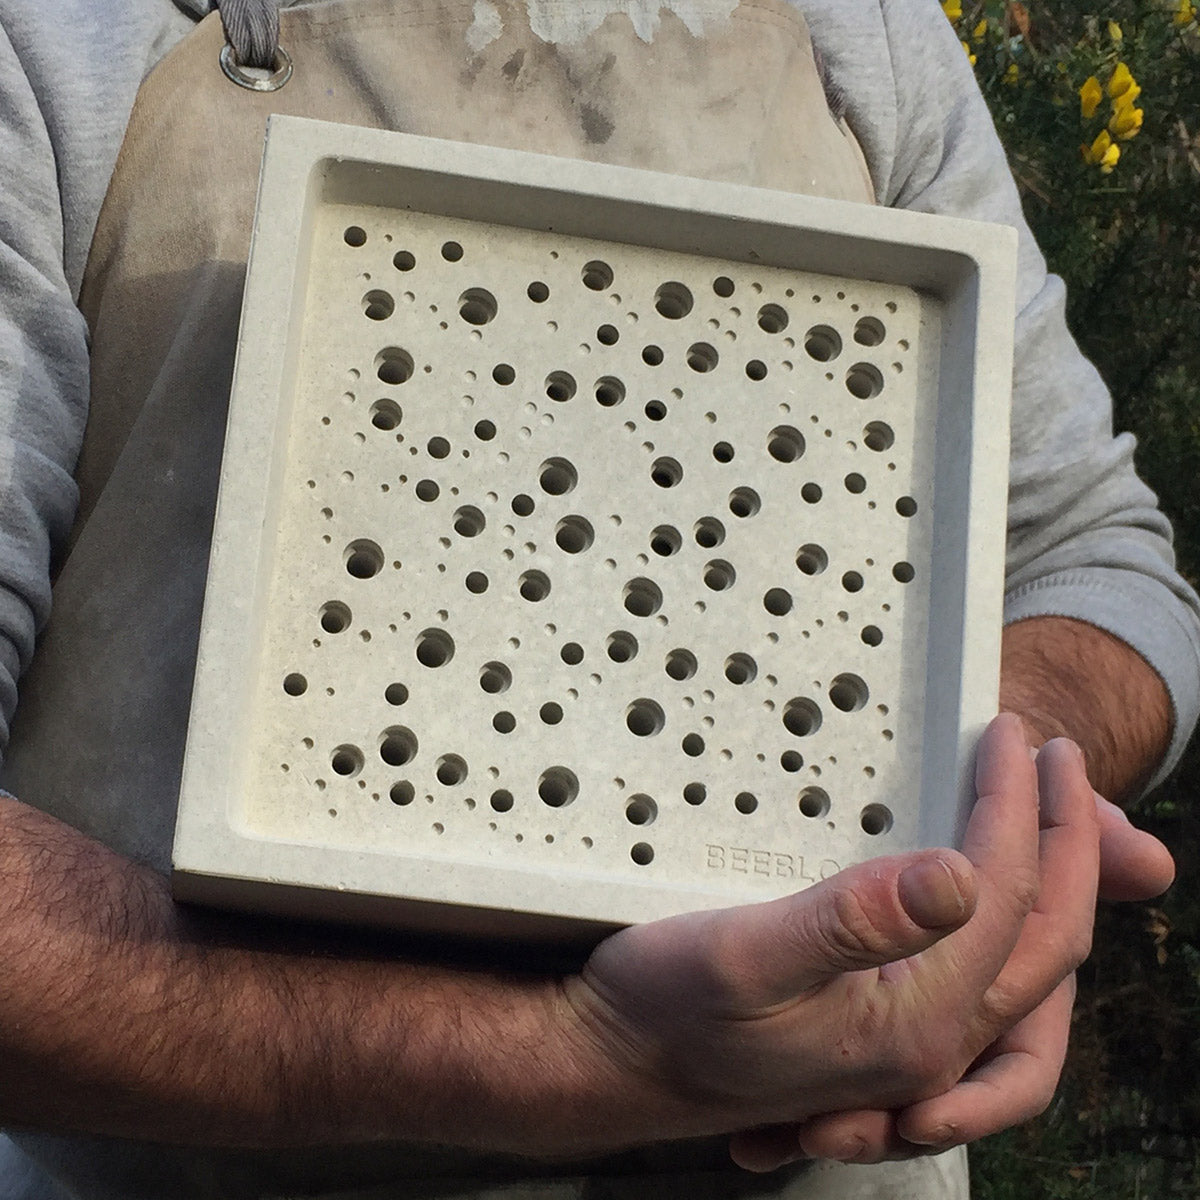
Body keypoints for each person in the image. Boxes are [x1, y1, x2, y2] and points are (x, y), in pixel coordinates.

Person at [0, 1, 1192, 1197]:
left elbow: (1093, 564)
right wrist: (573, 1061)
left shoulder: (861, 33)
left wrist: (989, 822)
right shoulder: (64, 39)